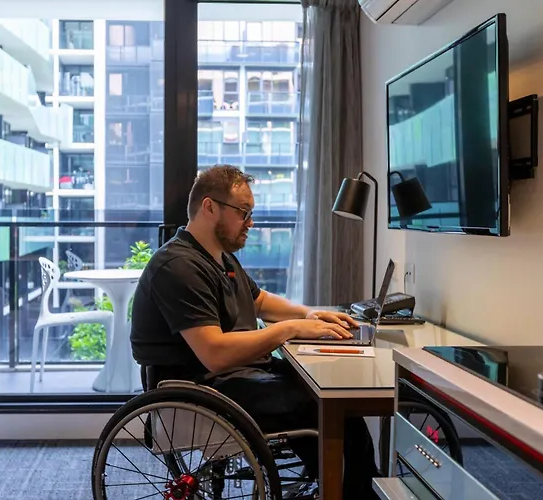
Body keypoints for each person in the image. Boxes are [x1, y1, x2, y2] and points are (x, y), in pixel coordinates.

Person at [130, 164, 379, 497]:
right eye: (243, 212)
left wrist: (309, 313)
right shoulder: (179, 266)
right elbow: (214, 353)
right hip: (203, 389)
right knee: (326, 403)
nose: (250, 223)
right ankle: (346, 489)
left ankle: (348, 488)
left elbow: (258, 300)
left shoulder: (218, 257)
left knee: (333, 398)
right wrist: (290, 329)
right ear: (209, 207)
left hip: (233, 377)